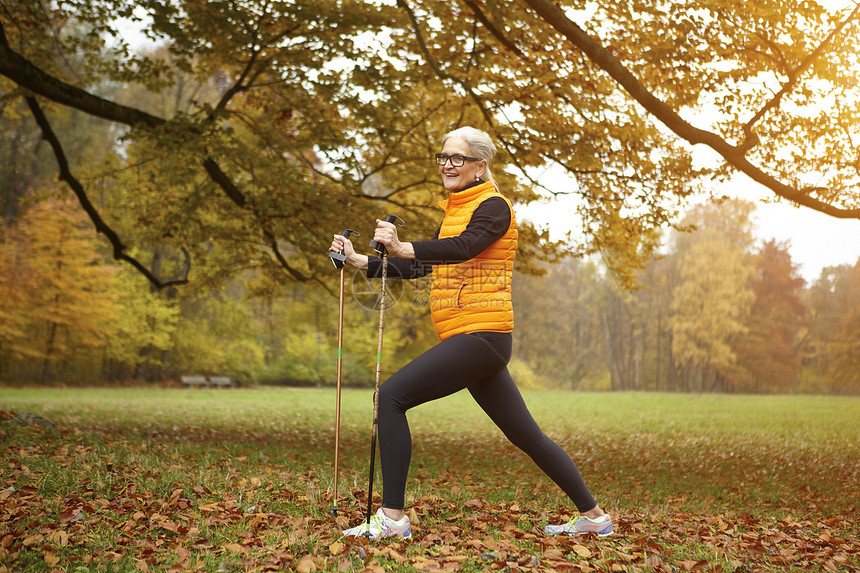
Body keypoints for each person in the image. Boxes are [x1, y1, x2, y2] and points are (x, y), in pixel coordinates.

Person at [330, 126, 612, 540]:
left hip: (482, 336)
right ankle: (594, 517)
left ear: (480, 164)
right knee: (525, 434)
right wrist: (359, 262)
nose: (447, 164)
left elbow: (465, 247)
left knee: (390, 397)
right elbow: (429, 264)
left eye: (457, 158)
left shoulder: (494, 206)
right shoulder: (457, 209)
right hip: (472, 337)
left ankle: (392, 518)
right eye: (443, 157)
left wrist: (404, 245)